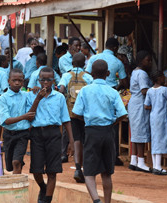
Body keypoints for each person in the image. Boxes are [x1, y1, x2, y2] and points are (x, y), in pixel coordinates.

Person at [72, 60, 127, 203]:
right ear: (108, 74)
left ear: (90, 73)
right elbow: (123, 114)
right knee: (107, 172)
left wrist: (89, 120)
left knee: (88, 171)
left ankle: (96, 201)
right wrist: (112, 122)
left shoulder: (84, 91)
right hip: (108, 132)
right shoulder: (112, 92)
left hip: (91, 131)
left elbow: (76, 113)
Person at [27, 67, 75, 203]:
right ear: (38, 80)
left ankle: (47, 202)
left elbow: (66, 120)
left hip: (54, 134)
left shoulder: (59, 97)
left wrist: (71, 141)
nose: (46, 82)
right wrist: (38, 98)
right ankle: (43, 187)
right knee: (36, 169)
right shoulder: (31, 95)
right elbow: (29, 114)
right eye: (43, 80)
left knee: (52, 170)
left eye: (49, 79)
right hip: (37, 133)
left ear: (54, 80)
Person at [85, 37, 129, 166]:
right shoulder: (118, 62)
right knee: (111, 125)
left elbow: (87, 75)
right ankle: (112, 156)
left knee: (92, 121)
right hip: (110, 92)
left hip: (92, 91)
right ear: (115, 48)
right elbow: (124, 82)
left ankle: (93, 154)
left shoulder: (93, 58)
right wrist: (116, 87)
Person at [58, 53, 93, 183]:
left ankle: (78, 167)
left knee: (76, 139)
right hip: (86, 114)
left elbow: (61, 90)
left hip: (72, 113)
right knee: (86, 140)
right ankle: (87, 168)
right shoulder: (88, 77)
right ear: (84, 63)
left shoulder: (66, 76)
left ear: (72, 63)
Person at [0, 69, 41, 174]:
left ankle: (16, 185)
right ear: (9, 81)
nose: (17, 83)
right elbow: (7, 120)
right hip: (9, 134)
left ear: (23, 82)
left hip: (23, 134)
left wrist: (36, 90)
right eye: (14, 80)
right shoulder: (3, 98)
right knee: (9, 166)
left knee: (16, 161)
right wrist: (24, 117)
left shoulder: (26, 95)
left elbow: (36, 97)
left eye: (20, 80)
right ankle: (17, 173)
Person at [127, 50, 153, 173]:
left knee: (136, 132)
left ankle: (133, 160)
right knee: (141, 132)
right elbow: (144, 90)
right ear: (141, 61)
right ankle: (141, 161)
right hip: (140, 103)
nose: (150, 62)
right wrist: (155, 91)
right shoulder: (142, 73)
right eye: (148, 60)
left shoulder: (135, 71)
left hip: (134, 103)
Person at [144, 72, 167, 175]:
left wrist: (155, 106)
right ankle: (158, 166)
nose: (164, 79)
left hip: (153, 117)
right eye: (163, 77)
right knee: (160, 139)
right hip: (161, 117)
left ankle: (156, 165)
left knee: (155, 139)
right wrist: (165, 106)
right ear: (160, 78)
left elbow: (146, 106)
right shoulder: (164, 90)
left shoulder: (149, 91)